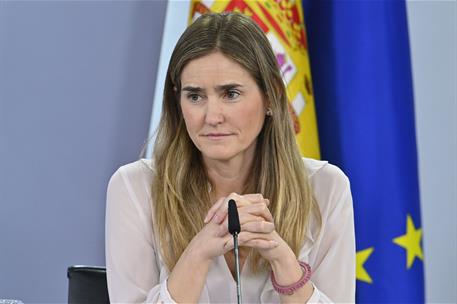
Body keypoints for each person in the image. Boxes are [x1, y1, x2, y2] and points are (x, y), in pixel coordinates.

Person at [106, 12, 355, 303]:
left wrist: (280, 256)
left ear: (272, 97)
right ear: (178, 102)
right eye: (195, 96)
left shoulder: (326, 188)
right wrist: (200, 250)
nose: (212, 117)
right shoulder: (135, 188)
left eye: (231, 93)